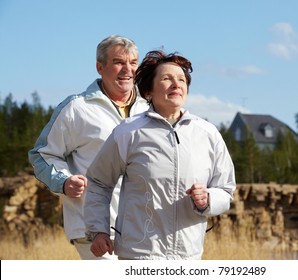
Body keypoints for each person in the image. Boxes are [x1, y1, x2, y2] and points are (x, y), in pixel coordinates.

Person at [83, 50, 236, 260]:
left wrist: (208, 199)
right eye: (167, 78)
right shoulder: (128, 132)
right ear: (148, 91)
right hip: (139, 256)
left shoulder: (208, 134)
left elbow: (226, 190)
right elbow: (99, 182)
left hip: (188, 257)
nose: (176, 84)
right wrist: (98, 230)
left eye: (182, 79)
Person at [28, 35, 149, 260]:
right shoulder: (76, 108)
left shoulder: (150, 110)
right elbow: (41, 155)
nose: (127, 69)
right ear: (99, 67)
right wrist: (63, 181)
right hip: (94, 229)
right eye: (118, 62)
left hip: (143, 229)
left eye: (133, 62)